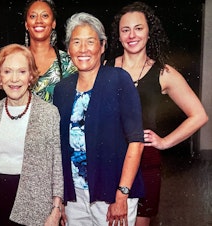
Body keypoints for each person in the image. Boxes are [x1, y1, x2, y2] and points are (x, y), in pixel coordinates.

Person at [106, 2, 209, 225]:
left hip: (146, 164)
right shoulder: (105, 69)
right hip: (109, 162)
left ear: (149, 32)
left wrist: (165, 142)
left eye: (139, 28)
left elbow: (199, 115)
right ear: (119, 35)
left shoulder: (164, 73)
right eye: (126, 30)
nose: (132, 35)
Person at [53, 12, 145, 226]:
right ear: (69, 49)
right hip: (74, 196)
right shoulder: (62, 89)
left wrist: (122, 195)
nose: (83, 49)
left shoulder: (119, 80)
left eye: (90, 41)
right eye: (76, 42)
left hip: (112, 193)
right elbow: (59, 148)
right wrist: (62, 199)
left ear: (102, 46)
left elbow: (136, 142)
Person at [0, 43, 63, 225]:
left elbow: (57, 164)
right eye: (7, 72)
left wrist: (56, 209)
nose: (14, 79)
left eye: (22, 72)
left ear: (31, 76)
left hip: (34, 202)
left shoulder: (48, 113)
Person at [24, 0, 77, 103]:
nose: (39, 20)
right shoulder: (14, 59)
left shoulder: (68, 63)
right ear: (26, 24)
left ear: (53, 23)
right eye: (33, 16)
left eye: (45, 16)